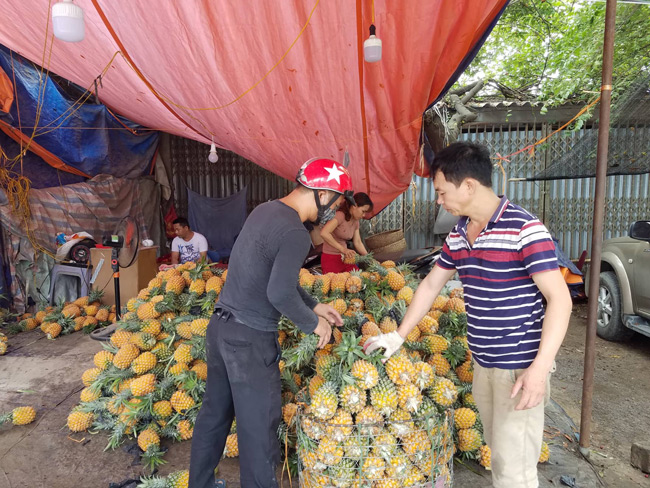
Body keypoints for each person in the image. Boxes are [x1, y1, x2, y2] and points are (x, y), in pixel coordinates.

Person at [365, 142, 572, 488]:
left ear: (469, 186)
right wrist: (397, 335)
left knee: (515, 472)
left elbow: (560, 300)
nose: (439, 200)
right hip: (484, 364)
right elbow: (431, 285)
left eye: (442, 191)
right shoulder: (460, 233)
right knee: (501, 456)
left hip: (518, 369)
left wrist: (538, 369)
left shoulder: (524, 228)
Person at [189, 157, 355, 488]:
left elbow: (274, 278)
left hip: (221, 329)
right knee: (259, 431)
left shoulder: (265, 210)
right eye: (336, 201)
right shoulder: (296, 233)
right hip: (249, 341)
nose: (335, 210)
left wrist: (316, 305)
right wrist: (314, 324)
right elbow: (279, 293)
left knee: (214, 417)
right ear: (322, 194)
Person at [319, 192, 373, 273]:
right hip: (331, 258)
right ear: (355, 206)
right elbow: (324, 233)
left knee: (357, 281)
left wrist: (369, 259)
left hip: (346, 259)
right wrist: (343, 249)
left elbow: (358, 242)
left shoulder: (355, 221)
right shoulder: (339, 215)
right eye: (363, 211)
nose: (364, 215)